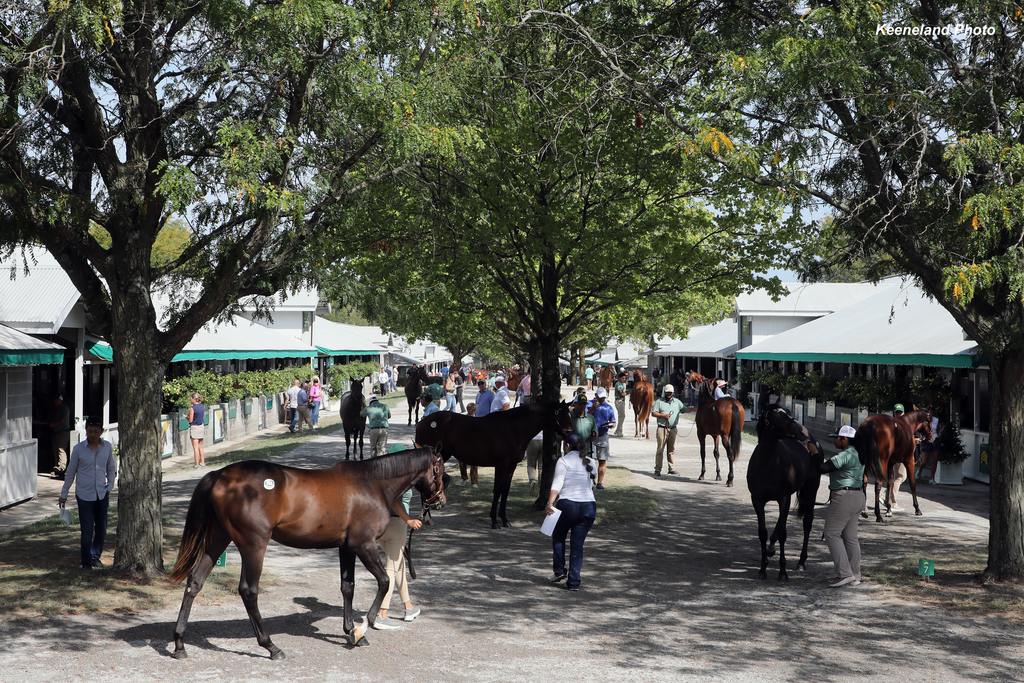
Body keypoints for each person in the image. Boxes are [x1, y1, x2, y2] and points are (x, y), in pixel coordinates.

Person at [59, 416, 117, 569]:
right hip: (84, 495)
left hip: (102, 494)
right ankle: (85, 563)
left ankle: (95, 556)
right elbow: (70, 473)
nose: (92, 434)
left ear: (101, 432)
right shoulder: (78, 449)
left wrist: (110, 485)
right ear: (86, 431)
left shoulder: (107, 447)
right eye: (89, 431)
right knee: (87, 530)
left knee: (101, 528)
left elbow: (111, 468)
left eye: (95, 431)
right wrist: (64, 494)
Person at [545, 432, 598, 591]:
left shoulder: (563, 460)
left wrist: (549, 502)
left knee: (558, 536)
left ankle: (559, 571)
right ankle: (574, 581)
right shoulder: (590, 461)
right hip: (588, 506)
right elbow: (592, 483)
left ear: (566, 445)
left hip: (568, 504)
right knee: (577, 545)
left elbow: (557, 484)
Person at [821, 425, 865, 587]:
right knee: (851, 538)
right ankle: (855, 574)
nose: (835, 441)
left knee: (831, 533)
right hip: (858, 496)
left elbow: (823, 468)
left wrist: (812, 454)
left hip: (844, 497)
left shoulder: (846, 454)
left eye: (837, 438)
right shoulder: (860, 453)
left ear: (844, 439)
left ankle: (844, 574)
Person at [373, 488, 424, 630]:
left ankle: (408, 607)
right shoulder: (402, 474)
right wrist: (409, 520)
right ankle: (382, 613)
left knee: (398, 566)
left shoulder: (384, 471)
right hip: (396, 524)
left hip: (378, 523)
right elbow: (393, 498)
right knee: (391, 568)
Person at [651, 384, 683, 477]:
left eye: (670, 393)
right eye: (667, 392)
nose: (669, 394)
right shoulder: (659, 402)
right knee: (660, 449)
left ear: (673, 393)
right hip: (662, 428)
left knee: (671, 449)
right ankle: (658, 469)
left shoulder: (677, 402)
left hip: (673, 428)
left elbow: (684, 409)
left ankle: (671, 468)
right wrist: (663, 415)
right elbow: (653, 413)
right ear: (664, 392)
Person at [590, 387, 616, 490]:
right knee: (590, 460)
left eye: (603, 398)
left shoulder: (608, 407)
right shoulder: (588, 404)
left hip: (603, 435)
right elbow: (585, 416)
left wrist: (611, 425)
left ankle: (600, 483)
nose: (602, 399)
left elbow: (613, 421)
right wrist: (593, 408)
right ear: (596, 396)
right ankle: (590, 481)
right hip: (591, 436)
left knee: (602, 460)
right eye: (600, 397)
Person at [48, 395, 71, 478]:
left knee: (61, 449)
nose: (55, 402)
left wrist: (54, 424)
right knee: (55, 450)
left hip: (63, 432)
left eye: (56, 400)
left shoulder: (64, 409)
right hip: (56, 432)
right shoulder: (55, 409)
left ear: (60, 400)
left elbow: (63, 421)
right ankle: (57, 468)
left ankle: (62, 467)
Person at [460, 403, 480, 485]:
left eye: (471, 409)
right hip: (464, 443)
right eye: (468, 409)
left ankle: (474, 481)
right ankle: (464, 478)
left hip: (473, 444)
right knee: (462, 462)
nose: (469, 411)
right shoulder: (463, 419)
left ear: (475, 410)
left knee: (474, 463)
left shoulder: (477, 420)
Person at [570, 395, 595, 459]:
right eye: (580, 404)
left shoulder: (590, 418)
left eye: (584, 404)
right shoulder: (570, 418)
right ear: (575, 404)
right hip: (573, 452)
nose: (582, 406)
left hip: (587, 452)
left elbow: (594, 433)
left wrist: (594, 435)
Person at [187, 393, 206, 468]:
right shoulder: (202, 406)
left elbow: (191, 420)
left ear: (193, 399)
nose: (190, 400)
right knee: (201, 447)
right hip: (201, 426)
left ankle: (196, 464)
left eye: (191, 398)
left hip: (195, 428)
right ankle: (203, 462)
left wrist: (187, 417)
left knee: (195, 448)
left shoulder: (192, 408)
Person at [613, 372, 628, 437]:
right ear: (619, 378)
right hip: (619, 401)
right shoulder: (619, 384)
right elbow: (622, 394)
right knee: (622, 416)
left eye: (625, 378)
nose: (624, 379)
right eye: (623, 378)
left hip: (621, 401)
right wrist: (628, 392)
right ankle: (618, 431)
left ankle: (618, 430)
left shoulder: (622, 384)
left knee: (621, 416)